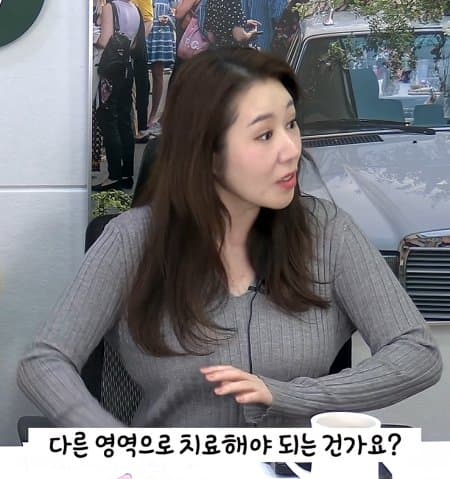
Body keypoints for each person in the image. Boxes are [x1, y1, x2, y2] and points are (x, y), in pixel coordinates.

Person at [17, 47, 442, 428]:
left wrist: (290, 395)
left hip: (293, 469)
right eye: (264, 135)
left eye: (291, 124)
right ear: (207, 152)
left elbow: (416, 353)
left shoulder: (326, 230)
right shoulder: (134, 239)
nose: (291, 149)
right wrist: (114, 447)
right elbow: (45, 361)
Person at [93, 0, 143, 191]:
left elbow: (104, 40)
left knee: (108, 118)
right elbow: (136, 43)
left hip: (111, 70)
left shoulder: (110, 7)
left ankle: (114, 174)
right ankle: (127, 173)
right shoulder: (135, 9)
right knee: (124, 120)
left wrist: (92, 39)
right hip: (127, 67)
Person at [145, 1, 177, 136]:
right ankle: (138, 117)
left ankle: (153, 115)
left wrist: (168, 18)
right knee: (140, 74)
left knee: (157, 75)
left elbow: (177, 13)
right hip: (145, 30)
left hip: (161, 35)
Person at [132, 0, 154, 142]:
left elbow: (149, 21)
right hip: (124, 46)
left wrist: (136, 44)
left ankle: (141, 129)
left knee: (141, 87)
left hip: (137, 47)